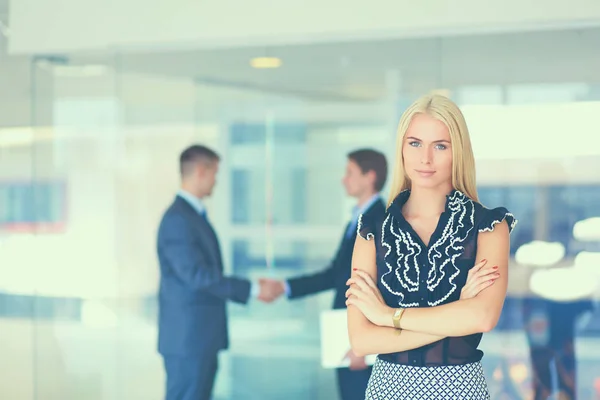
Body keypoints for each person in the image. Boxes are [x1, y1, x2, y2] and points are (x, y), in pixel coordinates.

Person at [345, 93, 517, 399]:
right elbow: (362, 340)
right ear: (401, 148)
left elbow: (482, 318)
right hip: (388, 389)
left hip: (461, 389)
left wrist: (388, 317)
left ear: (458, 152)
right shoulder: (371, 231)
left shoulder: (490, 227)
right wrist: (455, 314)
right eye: (415, 143)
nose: (425, 158)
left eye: (440, 146)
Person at [156, 145, 282, 400]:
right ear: (201, 171)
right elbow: (197, 276)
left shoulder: (192, 215)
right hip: (188, 341)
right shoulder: (178, 219)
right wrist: (254, 289)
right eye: (215, 173)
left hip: (198, 339)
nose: (216, 180)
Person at [262, 149, 388, 400]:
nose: (343, 179)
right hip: (351, 335)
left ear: (369, 176)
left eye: (349, 173)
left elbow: (378, 285)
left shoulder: (380, 221)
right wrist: (284, 287)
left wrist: (365, 345)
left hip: (361, 342)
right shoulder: (360, 218)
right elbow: (337, 275)